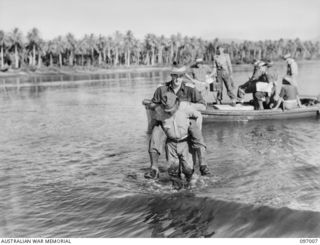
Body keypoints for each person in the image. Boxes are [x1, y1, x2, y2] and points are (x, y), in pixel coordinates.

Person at [145, 66, 210, 179]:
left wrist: (184, 107)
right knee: (156, 130)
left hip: (185, 118)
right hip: (167, 119)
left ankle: (203, 165)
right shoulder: (162, 89)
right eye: (175, 76)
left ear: (183, 77)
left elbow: (203, 106)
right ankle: (154, 168)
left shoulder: (190, 89)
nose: (177, 79)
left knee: (195, 131)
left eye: (180, 76)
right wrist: (161, 107)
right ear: (171, 76)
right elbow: (151, 104)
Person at [153, 92, 201, 188]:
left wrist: (197, 132)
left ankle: (190, 188)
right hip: (171, 143)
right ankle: (176, 188)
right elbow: (156, 125)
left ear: (177, 104)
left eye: (171, 109)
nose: (170, 112)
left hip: (185, 143)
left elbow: (199, 115)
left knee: (188, 169)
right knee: (173, 170)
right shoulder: (160, 112)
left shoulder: (185, 109)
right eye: (167, 110)